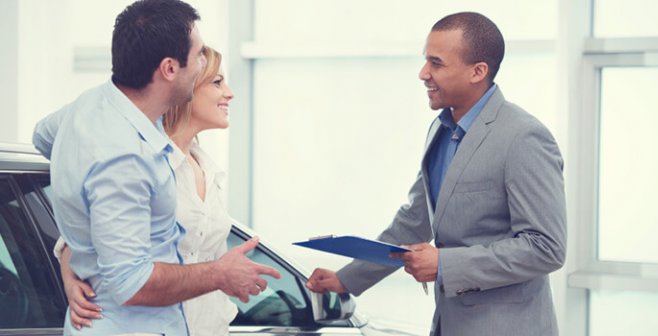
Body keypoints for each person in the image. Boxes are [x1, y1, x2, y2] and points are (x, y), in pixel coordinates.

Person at [306, 12, 567, 336]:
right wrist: (346, 278)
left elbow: (546, 248)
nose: (423, 73)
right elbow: (413, 221)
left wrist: (445, 264)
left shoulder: (523, 137)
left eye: (436, 63)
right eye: (425, 61)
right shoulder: (441, 130)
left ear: (478, 71)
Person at [32, 1, 279, 334]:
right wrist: (219, 274)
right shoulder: (125, 158)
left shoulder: (93, 110)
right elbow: (131, 283)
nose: (202, 64)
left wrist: (82, 244)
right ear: (169, 68)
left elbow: (44, 139)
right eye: (198, 57)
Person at [58, 46, 242, 335]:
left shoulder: (207, 166)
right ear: (188, 88)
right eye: (217, 83)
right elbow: (81, 233)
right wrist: (71, 280)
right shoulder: (139, 161)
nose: (229, 93)